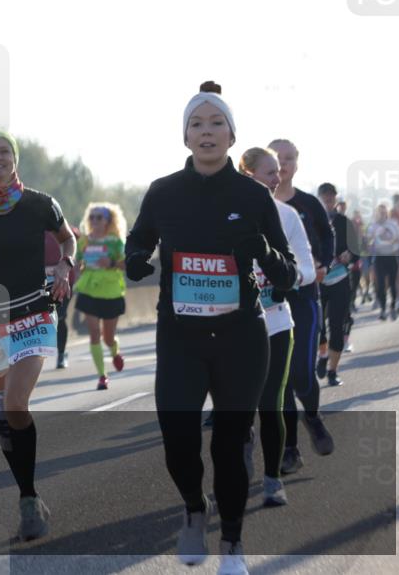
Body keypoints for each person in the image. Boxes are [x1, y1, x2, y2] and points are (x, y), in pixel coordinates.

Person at [126, 81, 297, 575]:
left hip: (241, 336)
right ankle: (194, 510)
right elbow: (136, 241)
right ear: (185, 137)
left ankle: (234, 545)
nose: (207, 132)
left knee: (228, 442)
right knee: (178, 436)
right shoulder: (163, 192)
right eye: (196, 124)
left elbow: (287, 273)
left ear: (230, 135)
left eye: (216, 123)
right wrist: (135, 258)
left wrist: (261, 253)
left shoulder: (253, 195)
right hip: (180, 337)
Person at [0, 129, 76, 541]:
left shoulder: (41, 204)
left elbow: (67, 238)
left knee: (17, 404)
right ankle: (28, 495)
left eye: (5, 151)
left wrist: (63, 265)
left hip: (32, 315)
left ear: (15, 159)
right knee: (4, 418)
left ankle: (27, 497)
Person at [237, 147, 315, 507]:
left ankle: (272, 478)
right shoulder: (226, 213)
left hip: (278, 321)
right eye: (269, 172)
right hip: (234, 325)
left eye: (278, 172)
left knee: (272, 401)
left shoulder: (287, 215)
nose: (277, 177)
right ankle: (241, 452)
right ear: (246, 173)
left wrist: (286, 274)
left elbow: (307, 267)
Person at [268, 139, 335, 475]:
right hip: (268, 302)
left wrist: (322, 264)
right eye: (276, 159)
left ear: (297, 163)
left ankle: (312, 416)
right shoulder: (252, 205)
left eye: (289, 158)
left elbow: (327, 236)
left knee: (300, 375)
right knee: (279, 378)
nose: (282, 164)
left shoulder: (307, 205)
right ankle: (290, 449)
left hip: (304, 297)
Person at [73, 203, 128, 390]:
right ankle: (102, 376)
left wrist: (110, 261)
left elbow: (125, 265)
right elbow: (77, 261)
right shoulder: (84, 241)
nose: (95, 220)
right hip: (89, 290)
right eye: (92, 217)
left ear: (107, 220)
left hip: (111, 291)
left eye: (99, 217)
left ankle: (115, 352)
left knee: (108, 337)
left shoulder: (115, 242)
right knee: (94, 332)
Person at [315, 183, 359, 387]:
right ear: (319, 198)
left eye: (331, 197)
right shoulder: (311, 220)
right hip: (318, 281)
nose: (328, 200)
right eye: (325, 196)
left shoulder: (344, 222)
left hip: (341, 280)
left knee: (337, 324)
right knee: (318, 327)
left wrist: (349, 255)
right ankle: (322, 354)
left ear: (335, 199)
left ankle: (333, 371)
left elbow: (357, 249)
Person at [46, 228, 80, 370]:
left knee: (60, 316)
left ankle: (61, 354)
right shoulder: (31, 227)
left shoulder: (59, 226)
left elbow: (75, 237)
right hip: (39, 281)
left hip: (63, 279)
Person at [367, 204, 399, 320]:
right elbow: (368, 240)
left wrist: (391, 238)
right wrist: (372, 239)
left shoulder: (393, 224)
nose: (382, 214)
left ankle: (392, 306)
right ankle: (383, 309)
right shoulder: (373, 225)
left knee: (392, 283)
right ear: (377, 213)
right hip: (379, 257)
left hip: (391, 256)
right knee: (380, 284)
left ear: (386, 213)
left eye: (384, 212)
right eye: (380, 212)